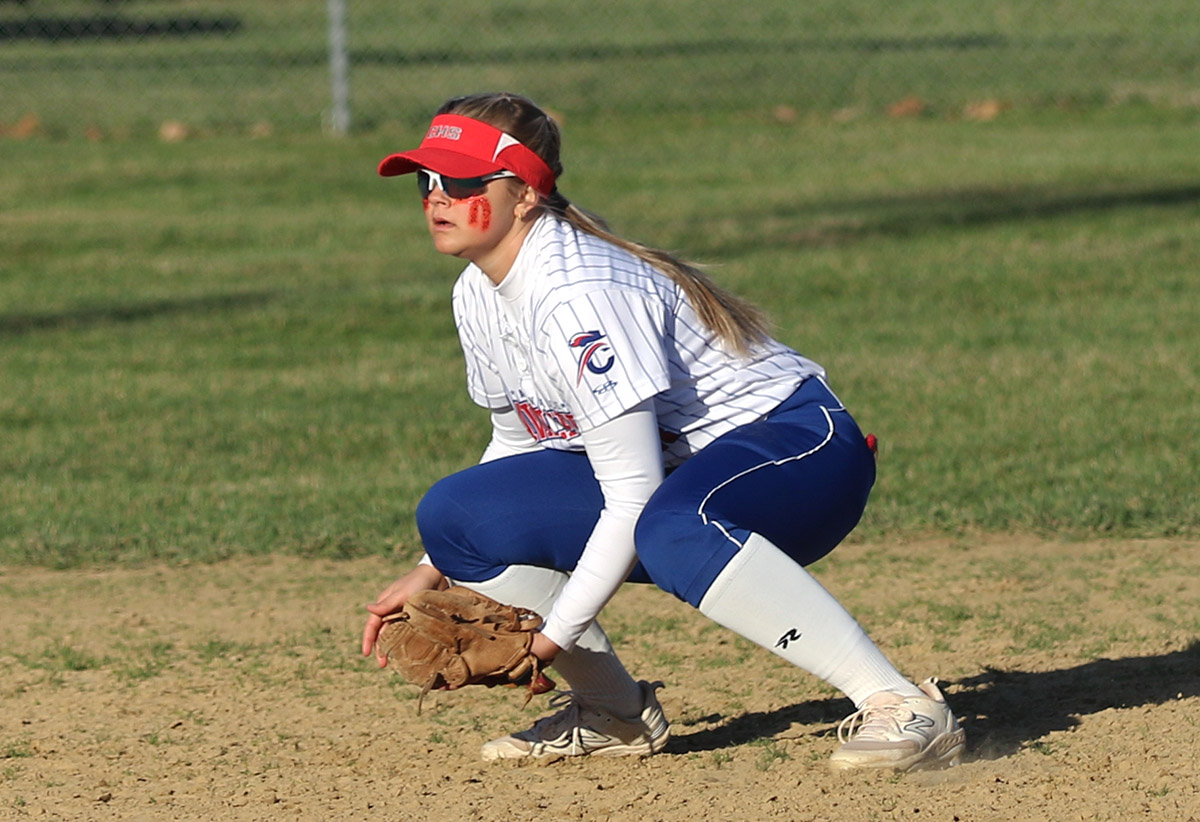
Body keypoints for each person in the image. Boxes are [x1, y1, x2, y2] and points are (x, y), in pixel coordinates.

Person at [360, 91, 965, 771]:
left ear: (525, 193)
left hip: (802, 456)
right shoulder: (477, 292)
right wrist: (434, 563)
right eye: (426, 180)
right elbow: (521, 441)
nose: (438, 197)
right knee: (458, 513)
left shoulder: (578, 293)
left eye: (465, 181)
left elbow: (633, 492)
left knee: (670, 525)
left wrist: (549, 641)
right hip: (686, 474)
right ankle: (615, 715)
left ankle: (900, 702)